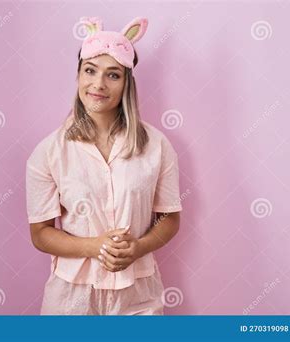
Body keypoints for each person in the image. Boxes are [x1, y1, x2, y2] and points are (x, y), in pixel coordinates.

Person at [25, 16, 182, 315]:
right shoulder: (48, 152)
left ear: (126, 84)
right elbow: (40, 233)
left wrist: (139, 247)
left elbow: (170, 218)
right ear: (78, 75)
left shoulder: (157, 146)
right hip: (72, 300)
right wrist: (95, 246)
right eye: (90, 70)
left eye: (113, 75)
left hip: (139, 298)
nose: (98, 84)